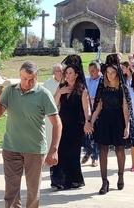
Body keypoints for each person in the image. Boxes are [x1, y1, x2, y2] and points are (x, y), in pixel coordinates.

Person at [0, 61, 61, 208]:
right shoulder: (10, 91)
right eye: (24, 79)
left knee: (32, 189)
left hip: (35, 150)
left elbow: (57, 123)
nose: (27, 83)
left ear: (37, 77)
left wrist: (53, 149)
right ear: (19, 76)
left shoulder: (43, 94)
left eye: (31, 80)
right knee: (11, 192)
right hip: (11, 147)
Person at [88, 56, 134, 194]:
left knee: (120, 150)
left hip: (119, 119)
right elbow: (98, 106)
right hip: (104, 119)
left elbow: (126, 108)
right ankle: (104, 182)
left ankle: (120, 176)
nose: (110, 75)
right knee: (103, 150)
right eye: (108, 72)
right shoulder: (102, 86)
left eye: (113, 72)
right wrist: (90, 122)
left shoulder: (122, 88)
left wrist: (127, 126)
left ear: (117, 73)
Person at [51, 56, 93, 189]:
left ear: (76, 75)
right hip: (62, 124)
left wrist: (88, 121)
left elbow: (86, 108)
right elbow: (54, 104)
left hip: (76, 125)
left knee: (73, 153)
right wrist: (60, 93)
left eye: (70, 73)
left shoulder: (82, 89)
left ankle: (73, 180)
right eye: (66, 73)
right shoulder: (61, 87)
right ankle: (59, 180)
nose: (67, 75)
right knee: (61, 150)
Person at [83, 61, 102, 166]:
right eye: (90, 71)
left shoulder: (103, 81)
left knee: (96, 135)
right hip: (87, 110)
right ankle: (88, 152)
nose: (91, 73)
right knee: (87, 134)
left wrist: (94, 98)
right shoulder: (86, 80)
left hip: (99, 111)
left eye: (93, 71)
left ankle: (95, 158)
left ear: (99, 70)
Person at [43, 64, 64, 155]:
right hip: (50, 113)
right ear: (54, 72)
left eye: (62, 71)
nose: (61, 73)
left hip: (63, 112)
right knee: (50, 134)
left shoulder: (66, 82)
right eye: (59, 71)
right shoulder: (48, 83)